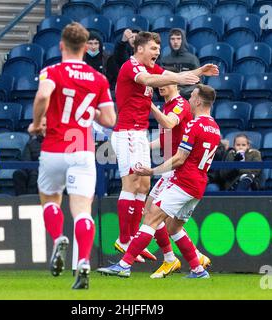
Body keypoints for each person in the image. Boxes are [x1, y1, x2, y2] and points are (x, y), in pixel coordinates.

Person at [110, 30, 219, 264]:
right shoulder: (132, 68)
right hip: (128, 131)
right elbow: (152, 81)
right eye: (153, 49)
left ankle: (167, 255)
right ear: (139, 49)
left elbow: (169, 75)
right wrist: (179, 79)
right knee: (132, 184)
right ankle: (126, 239)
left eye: (159, 50)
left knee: (144, 185)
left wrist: (198, 72)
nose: (157, 54)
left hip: (139, 134)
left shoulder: (158, 77)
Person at [98, 84, 220, 279]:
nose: (189, 100)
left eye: (192, 97)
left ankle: (124, 264)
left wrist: (152, 170)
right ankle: (198, 269)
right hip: (198, 184)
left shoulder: (194, 124)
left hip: (183, 181)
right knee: (174, 227)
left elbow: (180, 158)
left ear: (198, 101)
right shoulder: (215, 128)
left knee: (151, 217)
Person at [27, 22, 116, 290]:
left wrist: (36, 122)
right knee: (82, 212)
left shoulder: (51, 71)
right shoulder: (97, 78)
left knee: (50, 199)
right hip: (82, 149)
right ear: (86, 46)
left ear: (62, 46)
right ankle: (85, 262)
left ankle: (57, 239)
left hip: (54, 146)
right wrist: (89, 110)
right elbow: (110, 119)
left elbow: (43, 96)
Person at [146, 83, 211, 278]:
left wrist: (148, 104)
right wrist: (144, 146)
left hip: (177, 169)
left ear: (175, 83)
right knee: (158, 217)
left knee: (153, 215)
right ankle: (191, 259)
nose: (160, 86)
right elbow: (167, 139)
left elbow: (168, 124)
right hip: (172, 167)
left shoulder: (180, 105)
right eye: (159, 83)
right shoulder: (168, 107)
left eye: (165, 82)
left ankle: (171, 259)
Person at [160, 28, 201, 99]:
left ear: (183, 40)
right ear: (169, 41)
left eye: (178, 38)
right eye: (172, 39)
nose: (175, 42)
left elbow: (198, 83)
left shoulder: (192, 59)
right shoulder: (164, 60)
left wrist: (181, 92)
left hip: (187, 96)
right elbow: (160, 80)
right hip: (168, 95)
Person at [12, 118, 46, 196]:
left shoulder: (55, 142)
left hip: (50, 171)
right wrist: (34, 170)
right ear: (38, 128)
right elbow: (26, 161)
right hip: (33, 171)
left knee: (36, 174)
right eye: (43, 125)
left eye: (48, 125)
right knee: (18, 174)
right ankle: (22, 201)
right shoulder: (31, 143)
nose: (46, 128)